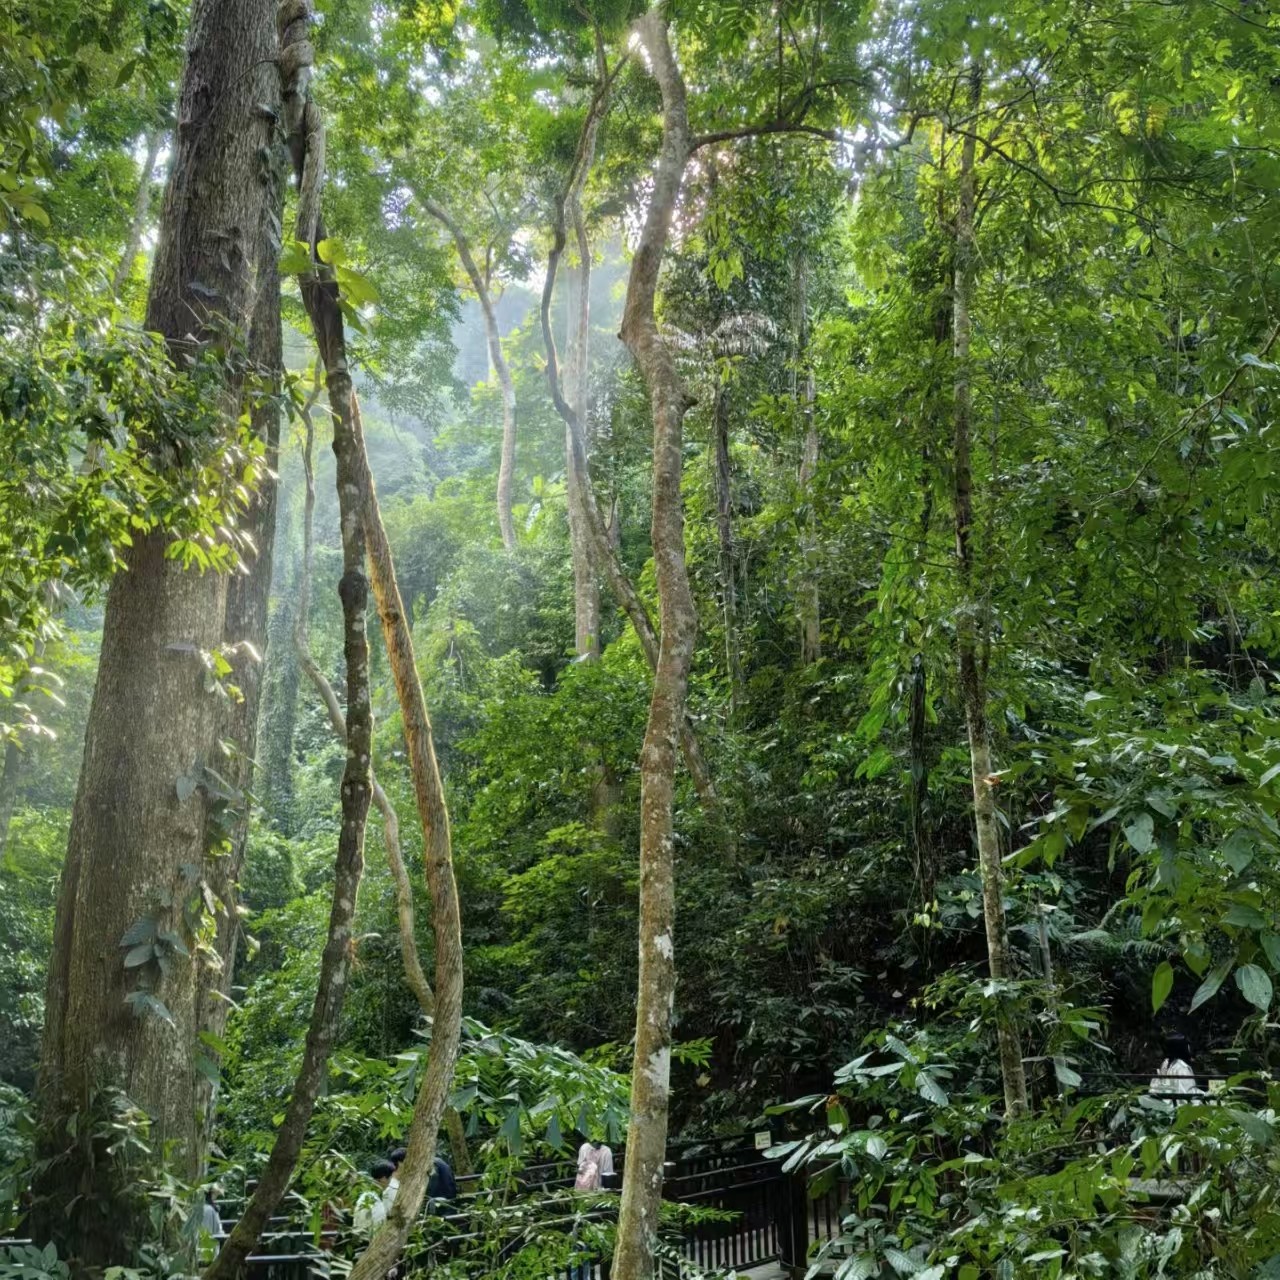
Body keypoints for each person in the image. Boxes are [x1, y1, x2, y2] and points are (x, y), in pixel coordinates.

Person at [1149, 1032, 1200, 1098]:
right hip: (1178, 1101)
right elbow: (1188, 1093)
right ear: (1182, 1048)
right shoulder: (1182, 1068)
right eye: (1187, 1045)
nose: (1189, 1048)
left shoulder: (1166, 1062)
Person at [355, 1159, 396, 1236]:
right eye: (391, 1178)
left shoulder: (367, 1195)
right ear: (384, 1179)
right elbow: (378, 1228)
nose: (391, 1181)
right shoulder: (373, 1200)